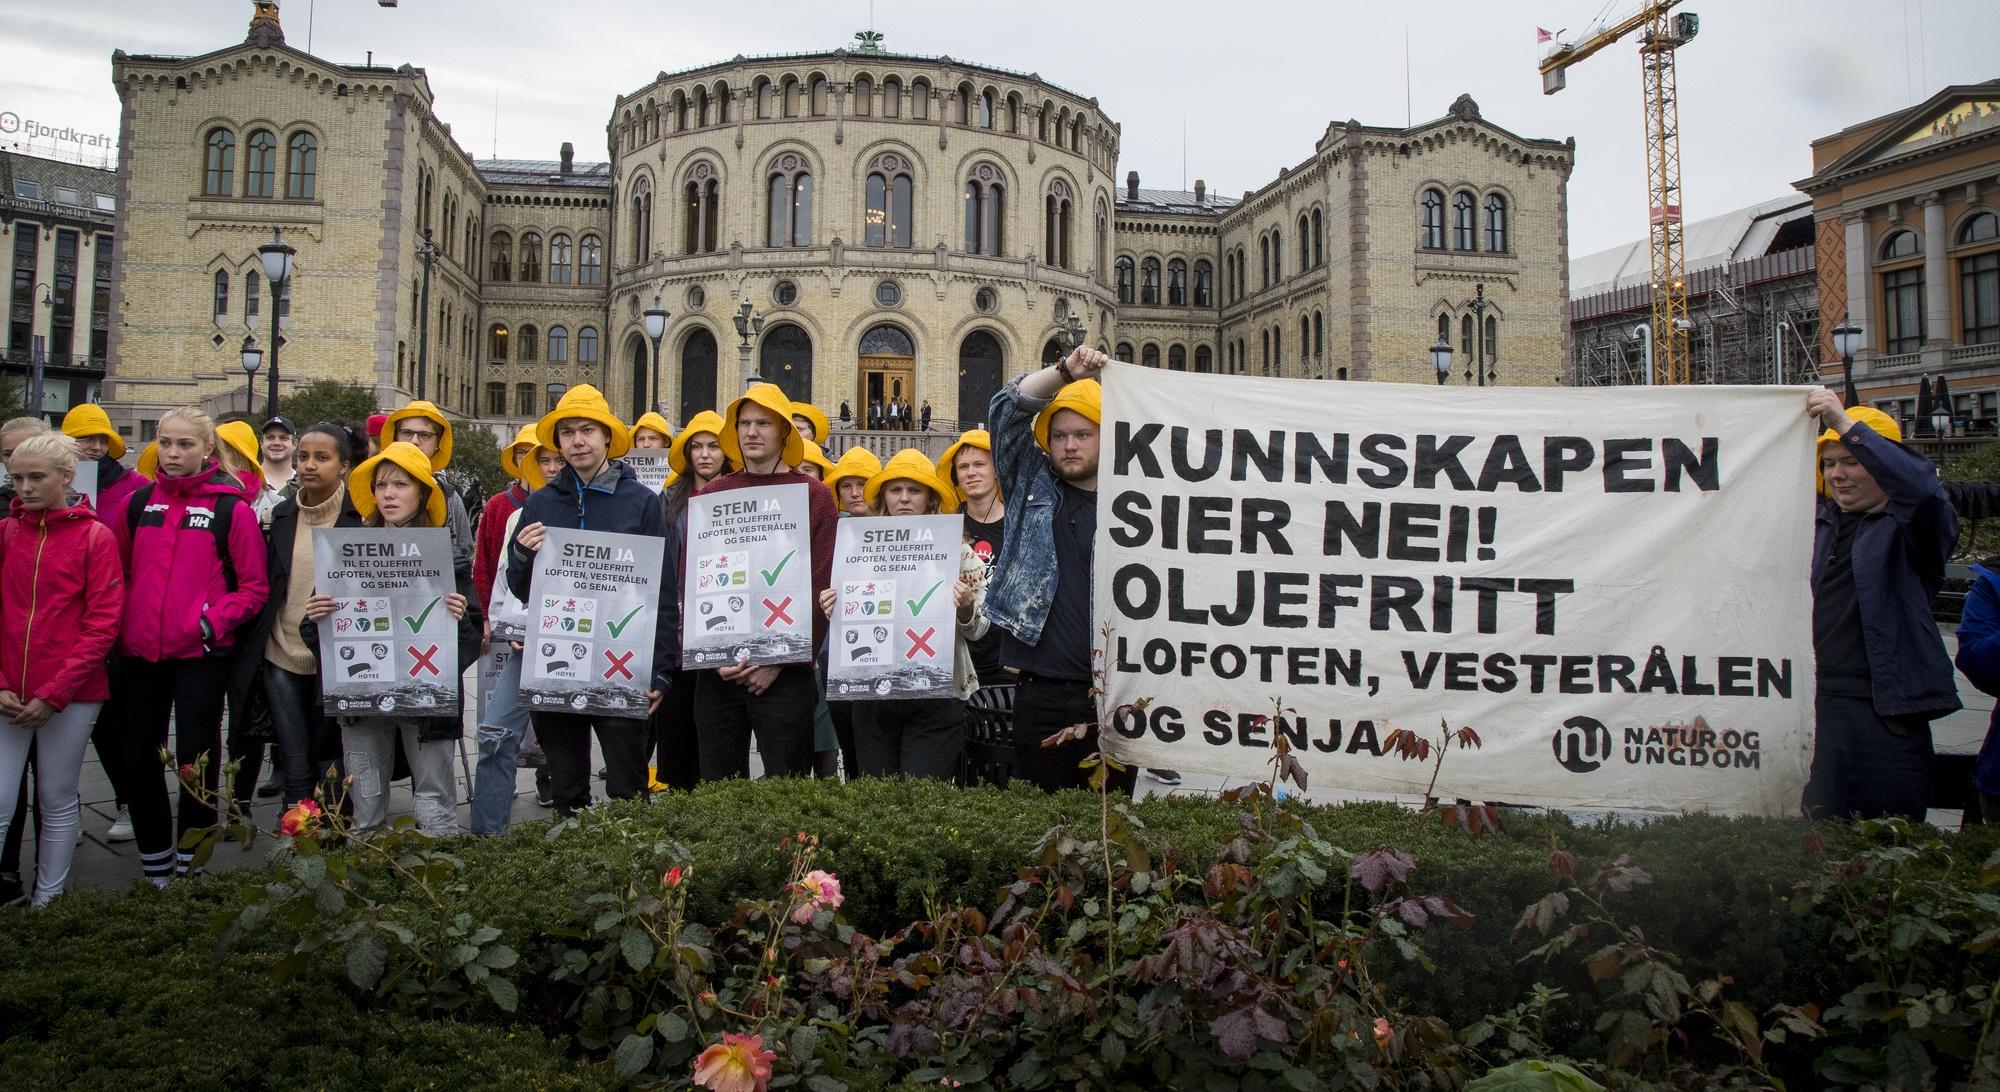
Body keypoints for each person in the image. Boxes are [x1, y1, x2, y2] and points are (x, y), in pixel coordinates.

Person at [110, 406, 270, 883]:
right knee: (138, 757)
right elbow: (116, 575)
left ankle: (190, 864)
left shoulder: (230, 509)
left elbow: (254, 588)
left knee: (195, 760)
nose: (174, 453)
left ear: (207, 451)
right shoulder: (137, 505)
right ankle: (155, 864)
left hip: (200, 655)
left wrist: (209, 623)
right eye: (166, 442)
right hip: (139, 654)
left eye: (186, 444)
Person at [507, 385, 675, 815]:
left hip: (623, 661)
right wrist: (523, 555)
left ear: (605, 438)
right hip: (559, 661)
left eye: (586, 430)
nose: (577, 441)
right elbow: (523, 590)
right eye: (567, 433)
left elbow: (662, 589)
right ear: (558, 442)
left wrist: (659, 670)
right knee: (567, 791)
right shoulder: (541, 502)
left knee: (627, 787)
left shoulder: (642, 502)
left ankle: (629, 876)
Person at [303, 442, 479, 835]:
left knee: (435, 806)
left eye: (400, 484)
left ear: (422, 492)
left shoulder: (447, 558)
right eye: (381, 485)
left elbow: (471, 639)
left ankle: (438, 878)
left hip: (427, 699)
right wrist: (316, 618)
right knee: (365, 806)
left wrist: (459, 620)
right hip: (362, 698)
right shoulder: (346, 552)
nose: (388, 493)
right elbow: (316, 634)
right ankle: (365, 880)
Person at [986, 349, 1135, 796]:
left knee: (1112, 825)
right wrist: (1066, 372)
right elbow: (1005, 411)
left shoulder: (1136, 502)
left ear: (1107, 438)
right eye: (1061, 435)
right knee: (1043, 824)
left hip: (1115, 695)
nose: (1070, 445)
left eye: (1083, 434)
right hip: (1042, 691)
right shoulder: (1030, 482)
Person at [1805, 389, 1958, 822]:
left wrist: (1845, 425)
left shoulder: (1916, 528)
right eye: (1829, 463)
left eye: (1852, 461)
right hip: (1816, 709)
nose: (1838, 474)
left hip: (1884, 716)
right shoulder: (1818, 525)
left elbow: (1923, 491)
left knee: (1882, 843)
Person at [0, 432, 124, 906]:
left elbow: (101, 625)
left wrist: (54, 693)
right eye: (16, 478)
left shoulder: (96, 537)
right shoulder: (7, 533)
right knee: (2, 800)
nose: (24, 488)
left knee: (56, 796)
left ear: (66, 477)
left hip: (71, 695)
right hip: (9, 693)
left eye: (36, 477)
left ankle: (48, 901)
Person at [694, 382, 836, 781]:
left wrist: (779, 659)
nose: (751, 432)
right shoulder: (715, 493)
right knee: (719, 787)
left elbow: (820, 585)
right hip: (720, 672)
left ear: (784, 434)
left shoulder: (814, 495)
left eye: (763, 423)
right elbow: (698, 578)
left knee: (787, 786)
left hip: (785, 673)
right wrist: (715, 656)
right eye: (744, 423)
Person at [825, 448, 986, 780]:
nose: (904, 498)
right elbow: (856, 619)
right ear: (884, 496)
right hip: (873, 695)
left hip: (937, 696)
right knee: (878, 802)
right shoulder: (856, 550)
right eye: (896, 490)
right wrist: (834, 609)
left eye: (914, 490)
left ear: (929, 499)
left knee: (922, 801)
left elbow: (979, 631)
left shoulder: (959, 552)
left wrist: (967, 607)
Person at [238, 421, 361, 811]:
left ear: (343, 465)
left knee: (331, 759)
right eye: (303, 457)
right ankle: (296, 832)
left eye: (321, 458)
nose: (309, 465)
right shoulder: (281, 515)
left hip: (335, 658)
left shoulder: (359, 517)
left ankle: (333, 835)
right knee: (294, 760)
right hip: (282, 653)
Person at [469, 428, 554, 835]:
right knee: (495, 735)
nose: (553, 468)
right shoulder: (522, 514)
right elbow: (505, 577)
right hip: (528, 647)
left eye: (559, 459)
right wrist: (511, 627)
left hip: (591, 649)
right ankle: (488, 838)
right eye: (545, 460)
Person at [380, 401, 474, 567]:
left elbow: (465, 552)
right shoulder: (369, 486)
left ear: (438, 444)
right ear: (395, 436)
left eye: (424, 435)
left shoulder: (450, 497)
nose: (414, 441)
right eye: (406, 433)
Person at [61, 403, 149, 519]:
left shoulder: (135, 483)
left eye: (103, 441)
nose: (97, 447)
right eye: (88, 439)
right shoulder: (50, 480)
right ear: (67, 442)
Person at [824, 446, 881, 519]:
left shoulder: (898, 527)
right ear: (838, 494)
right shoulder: (830, 529)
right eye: (846, 486)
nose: (854, 493)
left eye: (863, 485)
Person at [260, 416, 298, 499]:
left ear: (295, 444)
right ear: (261, 443)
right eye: (270, 438)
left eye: (283, 438)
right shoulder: (247, 481)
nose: (276, 443)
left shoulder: (304, 482)